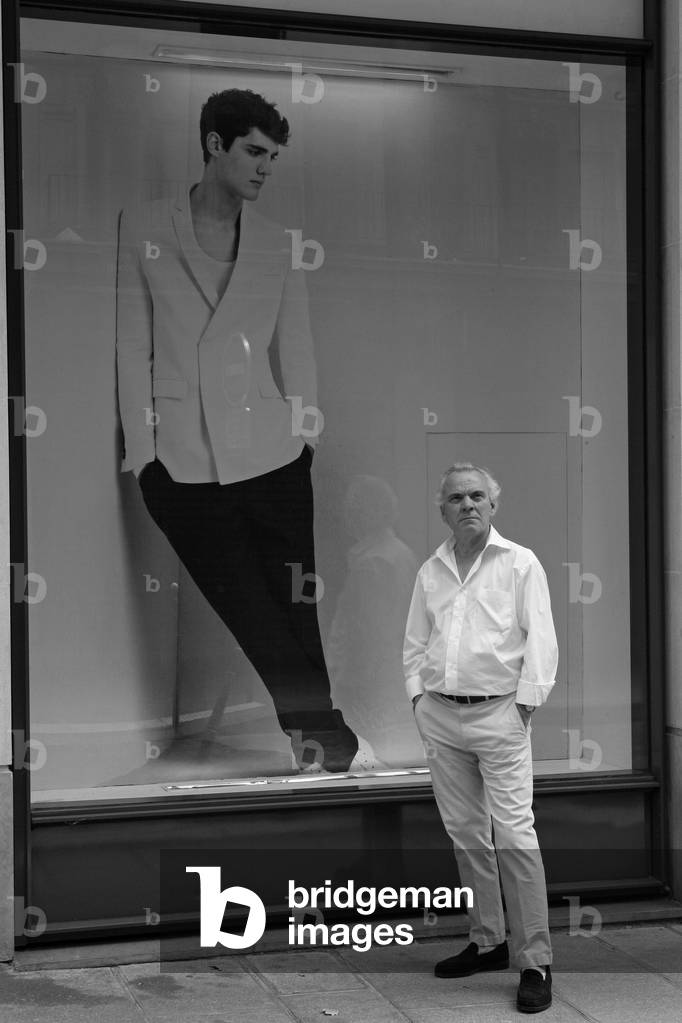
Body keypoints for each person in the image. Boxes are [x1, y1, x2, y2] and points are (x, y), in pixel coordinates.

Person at [116, 88, 361, 773]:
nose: (264, 168)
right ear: (214, 145)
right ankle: (326, 734)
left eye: (273, 158)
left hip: (275, 455)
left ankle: (319, 746)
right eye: (254, 151)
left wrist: (303, 438)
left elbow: (299, 347)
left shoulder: (280, 243)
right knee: (248, 607)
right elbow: (132, 348)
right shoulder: (142, 226)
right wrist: (145, 456)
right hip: (182, 463)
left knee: (294, 608)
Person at [403, 462, 557, 1014]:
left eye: (476, 496)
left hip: (500, 716)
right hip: (442, 717)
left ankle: (534, 959)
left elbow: (541, 637)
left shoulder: (520, 563)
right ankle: (488, 940)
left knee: (515, 834)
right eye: (455, 498)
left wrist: (525, 706)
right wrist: (418, 699)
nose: (467, 504)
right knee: (466, 831)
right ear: (441, 509)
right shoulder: (432, 569)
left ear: (493, 505)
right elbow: (416, 642)